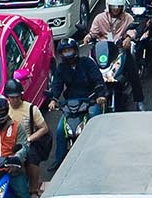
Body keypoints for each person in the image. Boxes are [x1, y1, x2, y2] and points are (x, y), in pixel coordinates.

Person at [46, 36, 108, 164]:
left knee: (94, 123)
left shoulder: (87, 63)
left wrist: (100, 95)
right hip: (71, 103)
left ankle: (98, 155)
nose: (68, 53)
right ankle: (59, 161)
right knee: (60, 130)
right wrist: (53, 99)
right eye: (65, 51)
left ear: (75, 51)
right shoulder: (61, 68)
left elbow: (97, 79)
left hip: (90, 100)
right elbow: (57, 85)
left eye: (70, 50)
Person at [2, 79, 52, 196]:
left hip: (27, 143)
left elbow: (44, 128)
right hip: (9, 142)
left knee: (32, 160)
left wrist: (29, 139)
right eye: (11, 97)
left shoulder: (31, 109)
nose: (14, 100)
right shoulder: (4, 110)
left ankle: (33, 189)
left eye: (17, 97)